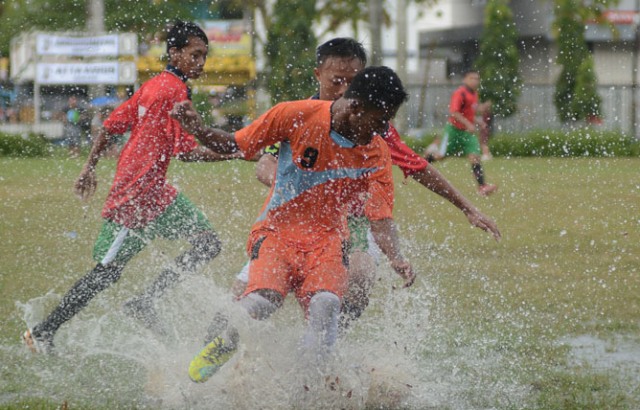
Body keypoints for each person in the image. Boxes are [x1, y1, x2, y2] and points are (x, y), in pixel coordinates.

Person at [231, 38, 500, 331]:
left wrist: (467, 208)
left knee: (359, 277)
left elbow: (418, 166)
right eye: (337, 81)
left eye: (353, 81)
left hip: (352, 222)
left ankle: (328, 351)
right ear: (317, 75)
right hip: (294, 223)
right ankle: (219, 354)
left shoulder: (373, 123)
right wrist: (303, 186)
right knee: (242, 295)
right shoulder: (298, 115)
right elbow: (264, 162)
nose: (345, 89)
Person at [170, 66, 416, 383]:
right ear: (356, 108)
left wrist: (396, 257)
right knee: (264, 300)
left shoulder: (376, 151)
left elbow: (380, 217)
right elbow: (235, 144)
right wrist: (199, 129)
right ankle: (225, 343)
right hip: (276, 234)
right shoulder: (296, 115)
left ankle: (308, 389)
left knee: (326, 305)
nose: (384, 129)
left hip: (328, 241)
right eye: (380, 120)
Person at [22, 20, 240, 353]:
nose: (200, 63)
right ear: (175, 53)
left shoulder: (154, 85)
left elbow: (111, 125)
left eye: (203, 56)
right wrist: (235, 152)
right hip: (135, 196)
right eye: (194, 55)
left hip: (159, 192)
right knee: (106, 273)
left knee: (207, 244)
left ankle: (144, 302)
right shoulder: (171, 91)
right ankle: (43, 331)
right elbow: (187, 153)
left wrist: (89, 166)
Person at [438, 70, 498, 196]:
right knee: (441, 156)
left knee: (474, 157)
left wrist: (478, 121)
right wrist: (468, 124)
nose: (475, 81)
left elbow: (470, 112)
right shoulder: (460, 93)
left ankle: (482, 187)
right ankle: (419, 164)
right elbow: (454, 112)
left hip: (467, 132)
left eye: (477, 78)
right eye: (472, 78)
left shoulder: (475, 94)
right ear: (465, 79)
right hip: (453, 130)